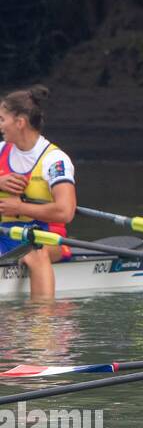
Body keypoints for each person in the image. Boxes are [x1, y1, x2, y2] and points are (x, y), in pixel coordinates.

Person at [0, 85, 77, 299]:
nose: (0, 126)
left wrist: (20, 207)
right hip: (5, 233)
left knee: (35, 252)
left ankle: (42, 322)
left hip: (46, 236)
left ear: (20, 122)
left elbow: (65, 212)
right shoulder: (0, 150)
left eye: (2, 119)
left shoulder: (54, 160)